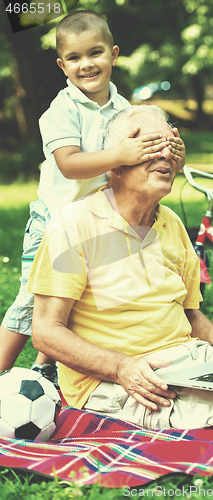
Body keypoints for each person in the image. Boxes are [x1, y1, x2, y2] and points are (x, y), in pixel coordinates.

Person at [28, 105, 213, 441]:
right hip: (124, 381)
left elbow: (190, 315)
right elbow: (45, 331)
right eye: (149, 146)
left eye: (170, 147)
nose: (165, 156)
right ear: (115, 164)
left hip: (192, 362)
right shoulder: (72, 224)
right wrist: (121, 367)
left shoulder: (171, 222)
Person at [0, 11, 184, 386]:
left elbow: (144, 158)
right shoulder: (61, 111)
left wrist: (172, 151)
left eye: (95, 53)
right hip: (54, 220)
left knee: (76, 296)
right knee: (32, 301)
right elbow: (69, 164)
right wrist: (122, 154)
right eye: (74, 57)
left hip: (99, 220)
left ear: (114, 54)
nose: (86, 64)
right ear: (61, 65)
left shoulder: (125, 110)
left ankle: (45, 368)